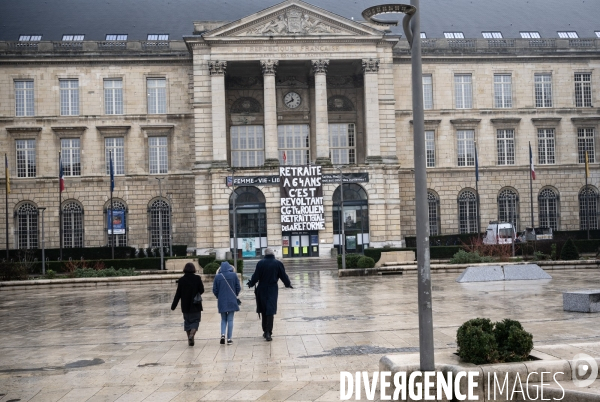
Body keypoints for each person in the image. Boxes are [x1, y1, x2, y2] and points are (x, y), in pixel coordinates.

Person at [247, 248, 293, 341]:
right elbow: (283, 276)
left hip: (262, 288)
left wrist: (251, 283)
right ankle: (268, 332)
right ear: (273, 254)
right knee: (270, 310)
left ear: (265, 254)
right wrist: (288, 284)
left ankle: (265, 331)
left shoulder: (260, 263)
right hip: (272, 289)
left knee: (263, 309)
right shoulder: (278, 263)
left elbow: (256, 276)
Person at [171, 262, 204, 346]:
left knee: (187, 322)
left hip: (185, 306)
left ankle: (190, 339)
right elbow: (202, 290)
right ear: (193, 269)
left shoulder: (181, 280)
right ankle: (192, 334)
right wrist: (196, 292)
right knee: (195, 321)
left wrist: (173, 306)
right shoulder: (197, 278)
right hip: (195, 304)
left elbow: (178, 294)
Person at [212, 261, 241, 345]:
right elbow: (238, 287)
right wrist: (235, 294)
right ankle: (229, 339)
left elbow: (214, 290)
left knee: (223, 319)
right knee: (230, 319)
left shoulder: (217, 277)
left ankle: (222, 334)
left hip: (222, 300)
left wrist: (219, 296)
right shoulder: (234, 275)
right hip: (232, 300)